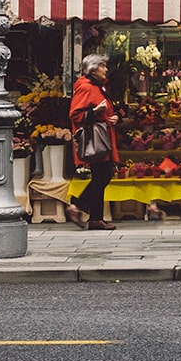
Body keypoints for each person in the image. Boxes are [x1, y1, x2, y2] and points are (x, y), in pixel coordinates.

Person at [68, 54, 119, 231]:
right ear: (93, 69)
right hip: (95, 139)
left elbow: (103, 111)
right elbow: (76, 115)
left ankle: (96, 218)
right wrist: (96, 111)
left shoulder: (97, 86)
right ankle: (77, 205)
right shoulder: (86, 87)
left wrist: (113, 117)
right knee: (103, 175)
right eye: (102, 66)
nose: (106, 69)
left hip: (102, 136)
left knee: (101, 175)